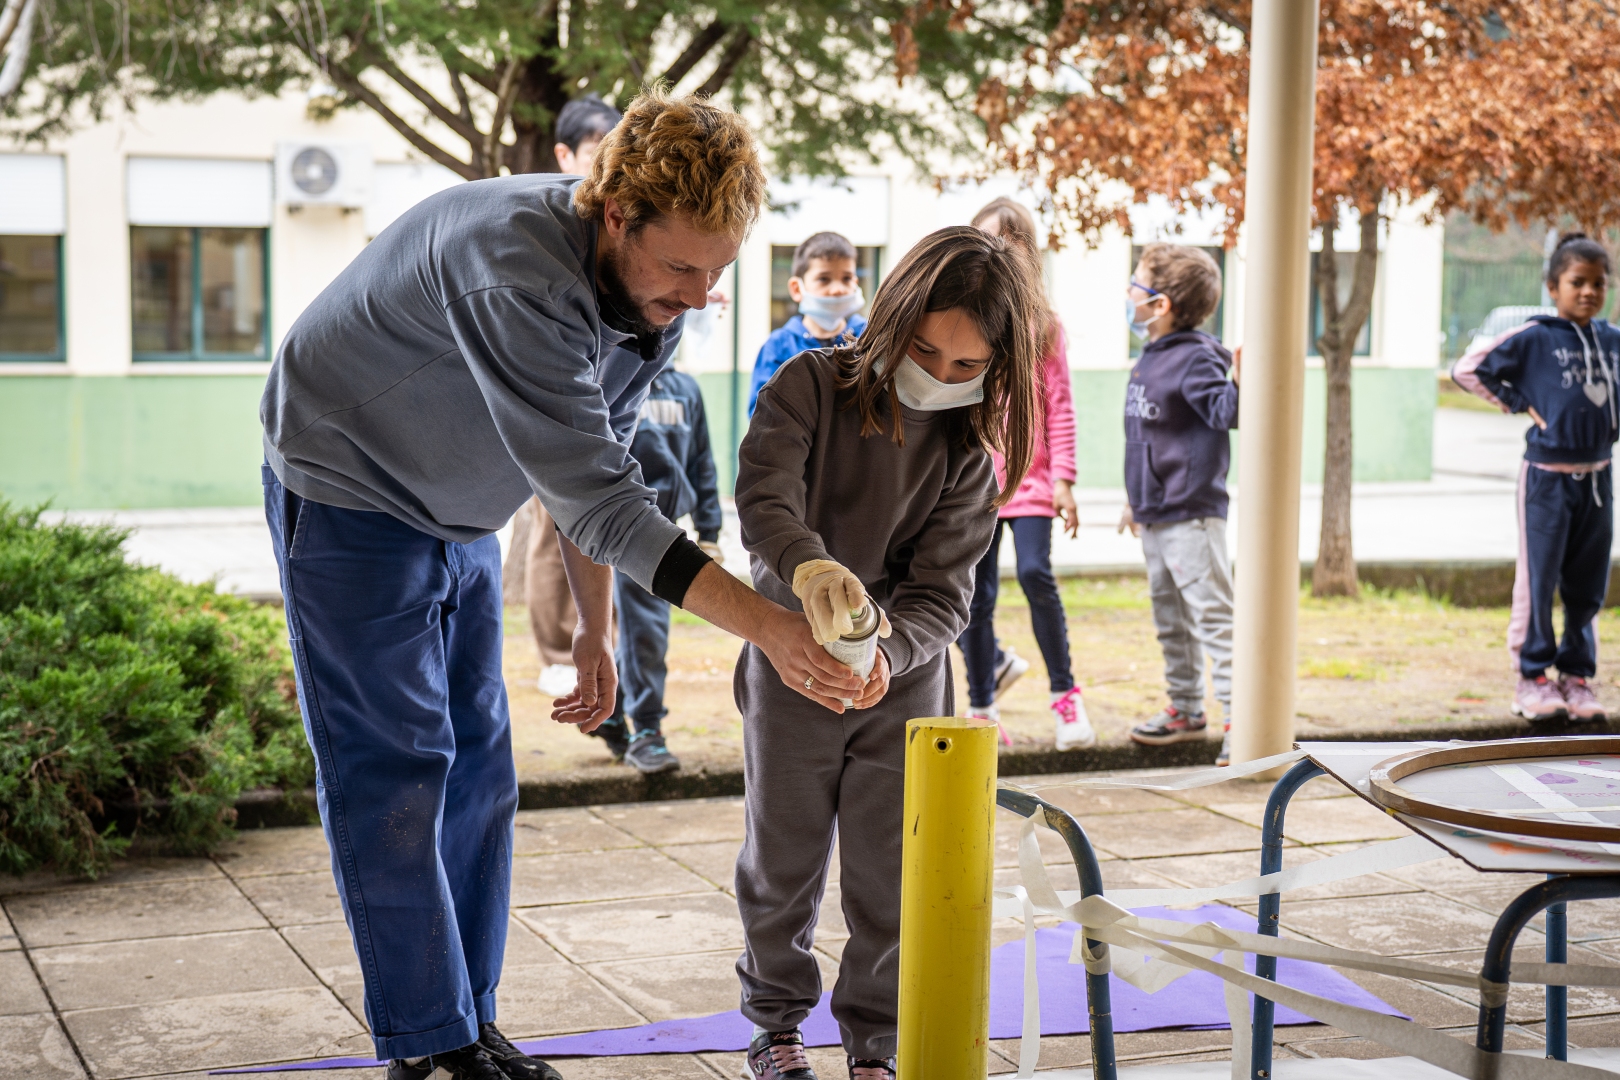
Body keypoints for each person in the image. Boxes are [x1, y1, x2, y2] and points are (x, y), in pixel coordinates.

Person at [260, 90, 866, 1080]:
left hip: (459, 514)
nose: (702, 295)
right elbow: (597, 496)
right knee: (397, 777)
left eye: (718, 272)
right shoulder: (517, 269)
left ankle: (467, 1024)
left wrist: (597, 627)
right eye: (683, 267)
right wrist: (770, 627)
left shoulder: (647, 303)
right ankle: (431, 1048)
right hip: (346, 493)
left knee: (480, 776)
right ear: (616, 213)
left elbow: (598, 463)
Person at [733, 226, 1044, 1080]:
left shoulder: (966, 458)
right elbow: (761, 496)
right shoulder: (806, 385)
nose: (939, 376)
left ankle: (875, 1044)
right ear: (892, 313)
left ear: (995, 367)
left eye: (965, 367)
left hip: (901, 687)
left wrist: (888, 655)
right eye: (924, 351)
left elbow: (945, 595)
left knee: (891, 873)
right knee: (782, 855)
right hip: (789, 659)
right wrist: (809, 566)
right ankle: (777, 1025)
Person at [1452, 233, 1619, 723]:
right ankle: (1532, 677)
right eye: (1576, 282)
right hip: (1547, 481)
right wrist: (1520, 404)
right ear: (1553, 287)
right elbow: (1467, 369)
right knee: (1539, 580)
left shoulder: (1612, 340)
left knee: (1588, 586)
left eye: (1598, 283)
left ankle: (1577, 678)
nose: (1587, 291)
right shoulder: (1535, 336)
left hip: (1599, 478)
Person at [954, 197, 1094, 750]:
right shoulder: (965, 321)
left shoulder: (1045, 326)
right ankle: (982, 707)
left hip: (1032, 483)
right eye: (992, 238)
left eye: (1015, 240)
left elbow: (1059, 404)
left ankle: (1066, 699)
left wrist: (1065, 479)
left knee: (1037, 575)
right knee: (976, 597)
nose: (1003, 250)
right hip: (977, 487)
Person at [1116, 243, 1239, 766]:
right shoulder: (1153, 354)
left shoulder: (1195, 356)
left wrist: (1243, 373)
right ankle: (1187, 709)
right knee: (1171, 619)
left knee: (1212, 617)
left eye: (1136, 286)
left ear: (1160, 304)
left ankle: (1243, 720)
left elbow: (1227, 411)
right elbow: (1148, 437)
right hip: (1156, 515)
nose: (1129, 295)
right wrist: (1134, 500)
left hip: (1190, 516)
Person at [523, 94, 626, 701]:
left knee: (596, 507)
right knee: (551, 523)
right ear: (566, 155)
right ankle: (556, 649)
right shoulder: (543, 243)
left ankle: (591, 638)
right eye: (597, 152)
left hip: (596, 409)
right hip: (543, 416)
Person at [593, 365, 725, 772]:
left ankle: (612, 712)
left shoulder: (686, 387)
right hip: (630, 526)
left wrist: (710, 528)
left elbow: (703, 458)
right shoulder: (612, 379)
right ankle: (647, 730)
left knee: (642, 626)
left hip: (672, 525)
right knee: (647, 627)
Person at [747, 231, 868, 416]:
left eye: (846, 278)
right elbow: (762, 416)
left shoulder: (867, 338)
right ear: (797, 288)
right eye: (823, 279)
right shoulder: (778, 347)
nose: (837, 289)